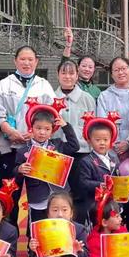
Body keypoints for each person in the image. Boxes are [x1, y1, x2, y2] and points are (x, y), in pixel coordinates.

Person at [0, 45, 55, 226]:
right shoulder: (4, 84)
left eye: (30, 59)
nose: (26, 63)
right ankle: (9, 241)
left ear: (36, 62)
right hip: (10, 148)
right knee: (9, 196)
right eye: (22, 59)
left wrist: (35, 133)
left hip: (38, 151)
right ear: (15, 61)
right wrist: (9, 130)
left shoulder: (43, 85)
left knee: (41, 197)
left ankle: (38, 240)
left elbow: (52, 115)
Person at [97, 57, 129, 230]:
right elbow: (102, 123)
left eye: (124, 68)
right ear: (111, 74)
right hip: (110, 151)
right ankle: (111, 233)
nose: (121, 72)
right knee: (111, 194)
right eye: (116, 70)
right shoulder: (104, 96)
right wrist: (113, 143)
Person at [15, 99, 79, 222]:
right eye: (38, 128)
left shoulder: (58, 145)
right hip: (38, 197)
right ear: (31, 128)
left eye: (47, 129)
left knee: (61, 227)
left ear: (52, 131)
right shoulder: (23, 151)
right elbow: (15, 174)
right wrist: (19, 169)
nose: (42, 132)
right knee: (37, 229)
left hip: (59, 195)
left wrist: (65, 126)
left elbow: (74, 146)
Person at [54, 58, 96, 218]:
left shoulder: (87, 99)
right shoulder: (50, 97)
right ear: (58, 75)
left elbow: (92, 128)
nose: (67, 77)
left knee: (81, 195)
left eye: (71, 73)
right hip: (59, 153)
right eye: (63, 73)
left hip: (82, 153)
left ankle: (81, 232)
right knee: (59, 196)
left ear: (77, 75)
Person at [78, 113, 121, 223]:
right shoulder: (86, 161)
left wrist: (126, 184)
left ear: (111, 140)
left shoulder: (114, 157)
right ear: (89, 141)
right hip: (95, 204)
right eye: (97, 140)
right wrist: (99, 185)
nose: (102, 143)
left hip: (113, 203)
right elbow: (83, 183)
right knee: (97, 228)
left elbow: (118, 176)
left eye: (105, 140)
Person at [62, 27, 102, 100]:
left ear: (94, 70)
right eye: (84, 66)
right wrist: (68, 44)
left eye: (90, 67)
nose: (87, 69)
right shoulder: (71, 84)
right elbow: (65, 64)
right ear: (78, 67)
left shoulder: (97, 91)